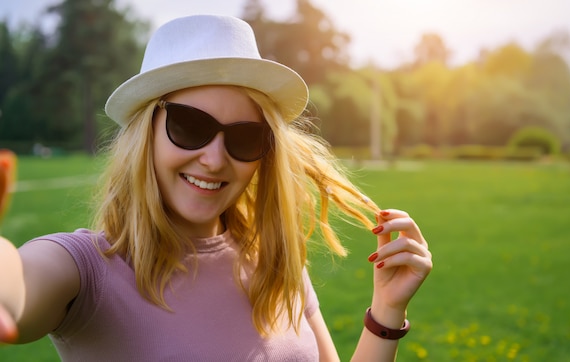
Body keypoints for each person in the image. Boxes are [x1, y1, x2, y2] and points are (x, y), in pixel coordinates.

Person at [0, 15, 432, 361]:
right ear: (143, 135)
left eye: (243, 137)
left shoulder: (279, 266)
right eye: (190, 127)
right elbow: (19, 279)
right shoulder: (86, 270)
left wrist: (386, 312)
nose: (214, 158)